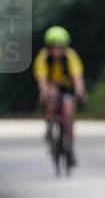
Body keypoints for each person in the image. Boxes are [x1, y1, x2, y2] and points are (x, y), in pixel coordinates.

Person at [33, 26, 87, 166]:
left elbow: (77, 77)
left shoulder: (70, 56)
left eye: (60, 47)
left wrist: (80, 90)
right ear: (49, 47)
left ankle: (70, 146)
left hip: (67, 87)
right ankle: (50, 125)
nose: (57, 51)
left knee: (69, 113)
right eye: (54, 47)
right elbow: (42, 79)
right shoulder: (43, 58)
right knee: (51, 97)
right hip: (52, 87)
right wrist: (44, 91)